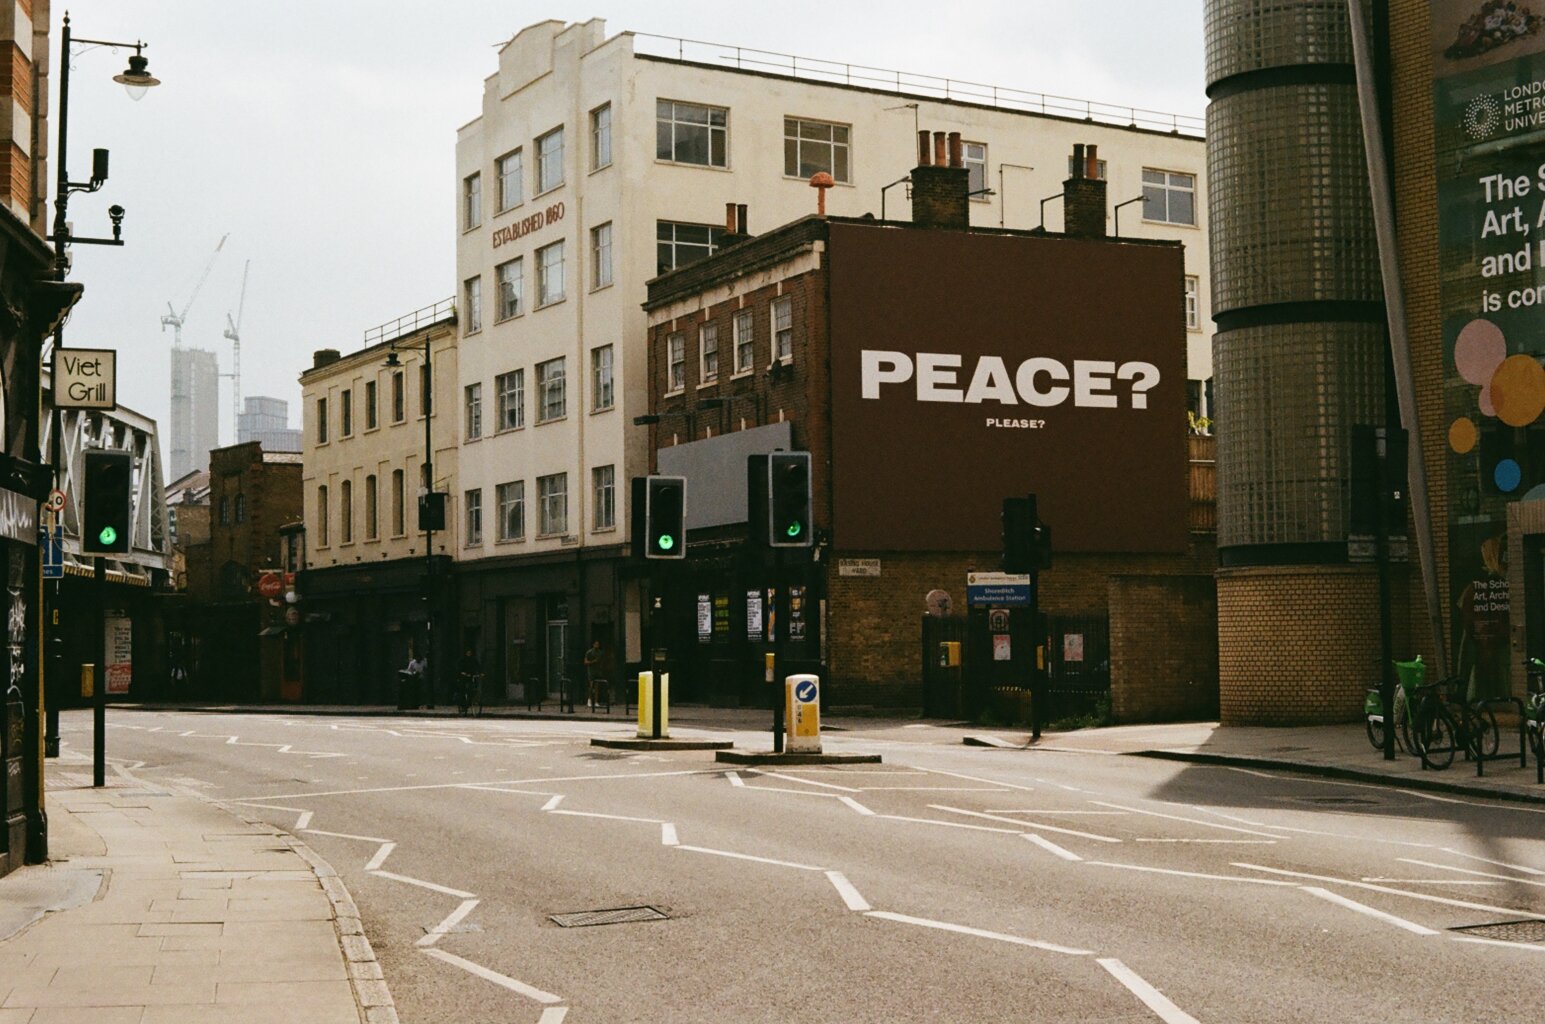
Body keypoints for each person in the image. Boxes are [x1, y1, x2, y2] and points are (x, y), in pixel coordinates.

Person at [457, 646, 482, 715]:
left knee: (473, 688)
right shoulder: (462, 660)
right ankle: (463, 704)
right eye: (468, 653)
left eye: (470, 653)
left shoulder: (473, 659)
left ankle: (472, 699)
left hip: (472, 676)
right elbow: (459, 668)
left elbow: (478, 666)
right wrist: (463, 673)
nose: (469, 654)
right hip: (464, 677)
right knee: (463, 690)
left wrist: (480, 673)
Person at [583, 640, 604, 711]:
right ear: (593, 645)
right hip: (591, 671)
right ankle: (589, 700)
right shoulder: (589, 652)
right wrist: (592, 662)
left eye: (598, 644)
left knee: (597, 686)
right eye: (596, 644)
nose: (597, 645)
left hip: (598, 671)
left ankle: (596, 701)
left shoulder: (600, 652)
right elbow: (585, 662)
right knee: (591, 686)